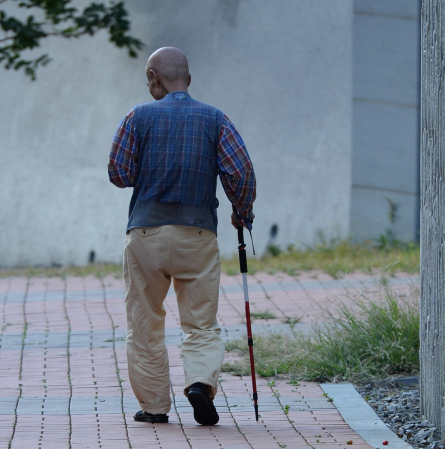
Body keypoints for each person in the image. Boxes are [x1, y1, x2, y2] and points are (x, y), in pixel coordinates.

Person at [108, 47, 256, 426]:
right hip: (198, 233)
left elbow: (119, 173)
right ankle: (199, 383)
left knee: (143, 323)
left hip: (145, 234)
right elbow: (240, 172)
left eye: (148, 80)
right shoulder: (215, 118)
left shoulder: (137, 116)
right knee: (201, 323)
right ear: (187, 79)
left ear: (154, 78)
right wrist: (242, 213)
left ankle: (155, 407)